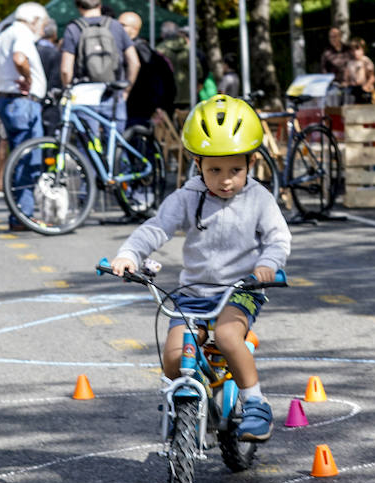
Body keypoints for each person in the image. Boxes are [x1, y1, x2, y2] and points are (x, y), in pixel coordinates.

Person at [109, 95, 291, 443]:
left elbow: (278, 238)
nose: (225, 180)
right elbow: (156, 227)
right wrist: (129, 253)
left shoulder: (258, 198)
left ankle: (256, 404)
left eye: (235, 170)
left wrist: (268, 264)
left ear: (251, 162)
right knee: (173, 357)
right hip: (192, 295)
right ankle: (188, 401)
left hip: (241, 291)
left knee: (226, 335)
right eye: (214, 170)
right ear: (197, 164)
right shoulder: (188, 196)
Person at [0, 2, 50, 231]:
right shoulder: (22, 34)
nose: (43, 29)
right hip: (22, 102)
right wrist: (28, 79)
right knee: (27, 160)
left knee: (19, 158)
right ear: (34, 20)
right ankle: (22, 216)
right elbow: (19, 58)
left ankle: (19, 215)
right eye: (43, 23)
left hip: (9, 100)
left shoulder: (4, 35)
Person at [60, 0, 139, 135]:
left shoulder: (73, 28)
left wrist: (68, 89)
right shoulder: (116, 26)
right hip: (114, 92)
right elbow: (135, 62)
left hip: (84, 94)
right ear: (99, 5)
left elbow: (66, 69)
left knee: (87, 148)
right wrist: (126, 89)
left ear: (79, 7)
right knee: (116, 146)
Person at [118, 10, 176, 130]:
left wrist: (157, 105)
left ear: (135, 28)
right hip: (132, 107)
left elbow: (155, 77)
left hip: (140, 108)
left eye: (122, 25)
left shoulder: (140, 48)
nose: (118, 28)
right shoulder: (129, 47)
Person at [155, 20, 192, 112]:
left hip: (166, 94)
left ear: (164, 34)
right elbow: (198, 72)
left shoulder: (160, 50)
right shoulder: (188, 49)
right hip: (187, 95)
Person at [36, 20, 63, 133]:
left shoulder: (33, 49)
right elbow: (56, 79)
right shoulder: (54, 53)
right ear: (54, 34)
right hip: (49, 99)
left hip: (33, 97)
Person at [319, 26, 351, 98]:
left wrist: (348, 81)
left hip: (350, 84)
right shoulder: (326, 53)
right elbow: (323, 70)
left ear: (340, 36)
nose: (333, 39)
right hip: (334, 85)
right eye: (331, 37)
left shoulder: (348, 50)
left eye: (335, 36)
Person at [344, 37, 375, 104]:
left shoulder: (366, 61)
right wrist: (347, 83)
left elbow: (372, 77)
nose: (355, 52)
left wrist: (366, 86)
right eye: (353, 50)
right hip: (353, 90)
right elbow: (346, 78)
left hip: (365, 90)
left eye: (358, 49)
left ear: (363, 49)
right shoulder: (350, 63)